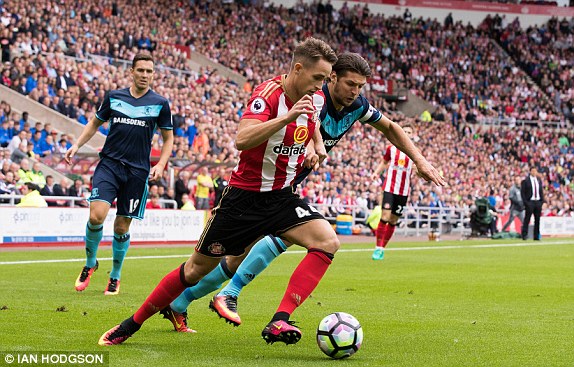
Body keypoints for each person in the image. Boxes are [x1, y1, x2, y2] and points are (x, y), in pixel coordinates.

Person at [162, 54, 446, 333]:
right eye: (350, 84)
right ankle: (213, 296)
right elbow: (303, 123)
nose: (355, 92)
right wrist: (311, 145)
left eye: (360, 86)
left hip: (284, 187)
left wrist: (420, 160)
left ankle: (188, 302)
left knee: (241, 257)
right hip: (258, 186)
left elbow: (391, 127)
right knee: (229, 260)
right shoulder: (312, 95)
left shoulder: (357, 106)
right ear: (332, 77)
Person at [98, 37, 341, 346]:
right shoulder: (267, 96)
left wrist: (316, 145)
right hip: (243, 199)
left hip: (281, 197)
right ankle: (130, 325)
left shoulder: (315, 97)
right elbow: (242, 140)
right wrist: (287, 117)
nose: (322, 86)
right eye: (318, 77)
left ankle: (279, 320)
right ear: (297, 69)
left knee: (327, 241)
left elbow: (313, 122)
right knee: (195, 270)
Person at [65, 53, 174, 296]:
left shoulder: (160, 103)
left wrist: (161, 164)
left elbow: (168, 139)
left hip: (137, 172)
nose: (145, 75)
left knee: (121, 227)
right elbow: (94, 123)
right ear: (132, 72)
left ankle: (115, 276)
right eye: (141, 70)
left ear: (153, 74)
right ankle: (91, 262)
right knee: (97, 216)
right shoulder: (114, 97)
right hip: (110, 165)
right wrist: (77, 145)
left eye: (149, 71)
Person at [370, 123, 417, 260]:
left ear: (412, 135)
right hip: (389, 187)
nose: (407, 134)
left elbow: (418, 168)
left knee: (393, 220)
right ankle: (378, 248)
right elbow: (384, 163)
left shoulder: (415, 151)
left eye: (409, 132)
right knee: (384, 216)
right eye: (405, 131)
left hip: (403, 191)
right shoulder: (391, 148)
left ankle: (383, 248)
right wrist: (376, 173)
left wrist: (421, 174)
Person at [521, 167, 544, 240]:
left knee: (537, 219)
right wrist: (526, 202)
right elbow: (523, 192)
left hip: (537, 202)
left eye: (535, 171)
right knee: (527, 218)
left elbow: (541, 191)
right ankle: (524, 234)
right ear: (530, 172)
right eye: (533, 171)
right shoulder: (526, 181)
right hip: (530, 201)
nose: (534, 172)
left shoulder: (539, 180)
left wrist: (541, 201)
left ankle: (536, 236)